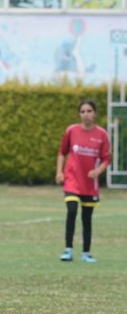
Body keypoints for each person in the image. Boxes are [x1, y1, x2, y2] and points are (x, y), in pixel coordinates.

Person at [55, 100, 110, 263]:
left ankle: (86, 253)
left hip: (89, 185)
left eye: (89, 111)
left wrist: (97, 171)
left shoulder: (102, 134)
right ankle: (68, 250)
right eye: (83, 111)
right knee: (71, 211)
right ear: (79, 114)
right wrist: (59, 171)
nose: (86, 114)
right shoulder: (71, 131)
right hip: (72, 180)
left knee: (87, 218)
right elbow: (61, 152)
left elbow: (106, 159)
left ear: (95, 114)